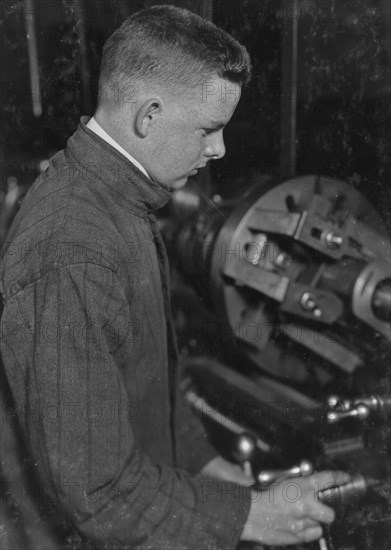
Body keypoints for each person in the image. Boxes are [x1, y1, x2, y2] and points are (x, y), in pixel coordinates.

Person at [0, 5, 349, 549]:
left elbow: (144, 380)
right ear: (149, 116)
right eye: (209, 129)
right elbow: (99, 492)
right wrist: (247, 517)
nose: (219, 149)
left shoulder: (117, 200)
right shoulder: (73, 248)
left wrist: (211, 470)